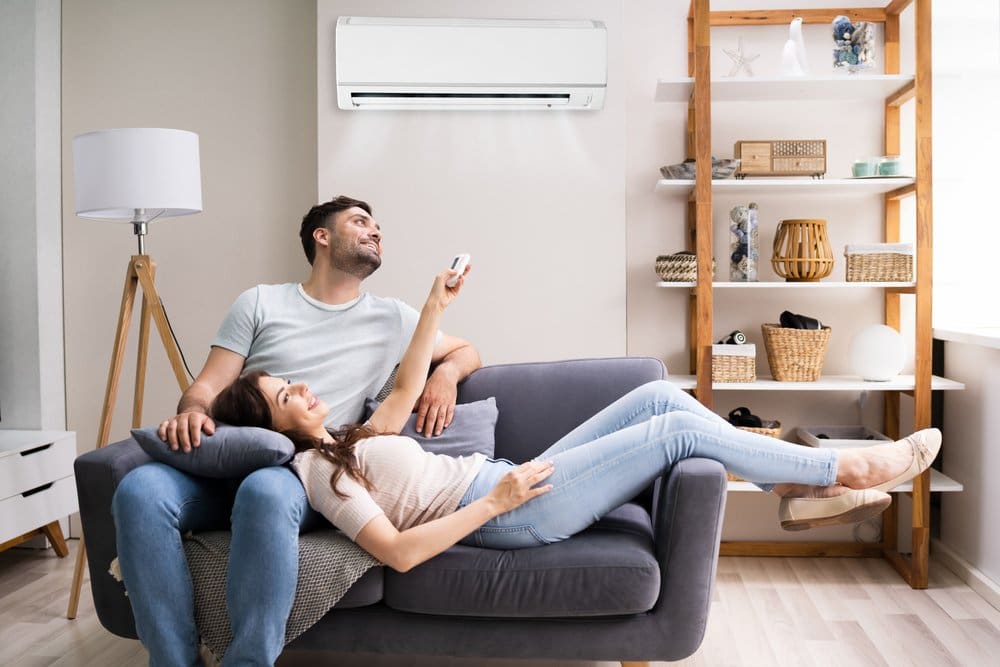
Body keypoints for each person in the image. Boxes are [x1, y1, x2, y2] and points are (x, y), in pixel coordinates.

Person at [210, 267, 942, 574]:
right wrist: (494, 501)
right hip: (504, 511)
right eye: (285, 393)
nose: (304, 386)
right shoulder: (314, 472)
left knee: (658, 398)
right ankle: (838, 469)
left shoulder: (349, 438)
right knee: (676, 432)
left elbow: (406, 383)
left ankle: (792, 489)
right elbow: (397, 553)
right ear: (273, 427)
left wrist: (436, 305)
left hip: (502, 481)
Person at [111, 196, 480, 667]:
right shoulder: (260, 302)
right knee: (139, 488)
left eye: (378, 226)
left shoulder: (395, 317)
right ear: (320, 237)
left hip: (302, 471)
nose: (376, 231)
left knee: (267, 490)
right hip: (232, 455)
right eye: (360, 222)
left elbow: (466, 350)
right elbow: (207, 384)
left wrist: (444, 376)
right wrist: (193, 410)